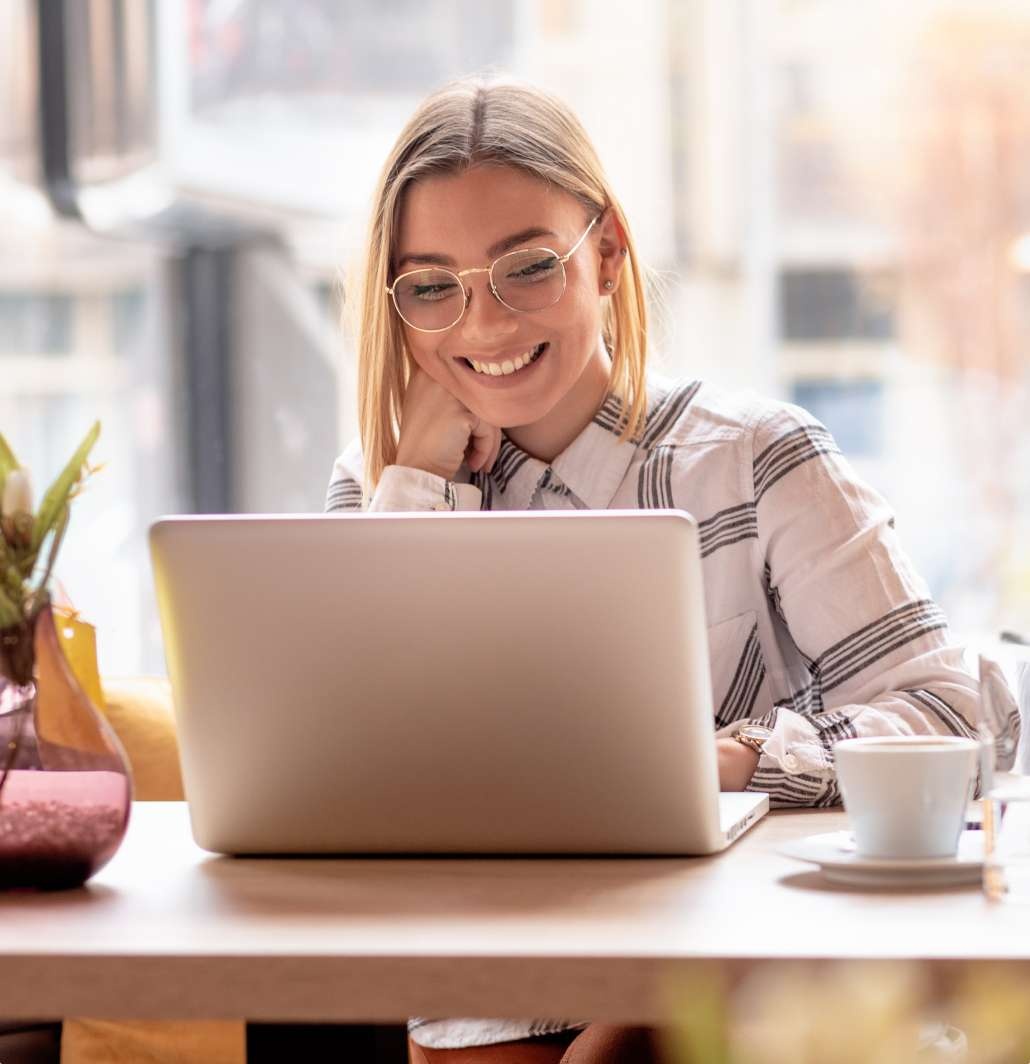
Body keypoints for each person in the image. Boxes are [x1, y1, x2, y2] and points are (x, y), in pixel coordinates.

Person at [324, 76, 1018, 1064]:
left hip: (720, 968)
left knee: (639, 1026)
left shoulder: (754, 457)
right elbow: (356, 776)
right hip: (484, 982)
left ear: (605, 253)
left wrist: (736, 758)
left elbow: (961, 714)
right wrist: (422, 478)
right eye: (433, 286)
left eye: (526, 267)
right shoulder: (380, 485)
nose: (481, 326)